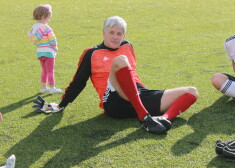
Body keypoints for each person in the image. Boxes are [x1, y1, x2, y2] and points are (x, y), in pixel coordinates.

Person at [35, 16, 198, 134]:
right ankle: (144, 117)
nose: (115, 37)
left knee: (192, 91)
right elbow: (78, 82)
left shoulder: (128, 46)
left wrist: (159, 108)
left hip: (137, 96)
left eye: (119, 34)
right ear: (104, 33)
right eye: (111, 32)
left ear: (124, 36)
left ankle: (164, 119)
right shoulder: (92, 53)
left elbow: (132, 75)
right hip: (113, 101)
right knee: (121, 61)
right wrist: (62, 104)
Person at [28, 4, 61, 94]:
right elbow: (52, 39)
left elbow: (32, 38)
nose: (49, 20)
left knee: (44, 71)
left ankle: (43, 88)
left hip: (40, 53)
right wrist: (55, 47)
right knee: (50, 71)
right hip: (49, 53)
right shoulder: (46, 28)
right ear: (43, 17)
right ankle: (52, 88)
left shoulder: (34, 27)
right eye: (48, 18)